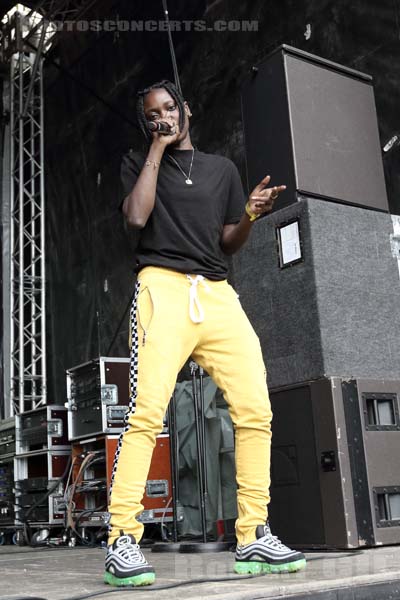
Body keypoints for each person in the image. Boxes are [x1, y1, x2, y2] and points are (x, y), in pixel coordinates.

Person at [104, 79, 306, 587]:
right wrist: (156, 146)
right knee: (147, 411)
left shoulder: (221, 170)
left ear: (187, 110)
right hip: (162, 289)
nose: (163, 117)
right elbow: (136, 216)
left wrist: (250, 216)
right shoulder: (139, 161)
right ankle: (122, 539)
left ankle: (254, 533)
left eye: (170, 109)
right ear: (146, 123)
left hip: (216, 295)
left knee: (255, 409)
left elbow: (229, 242)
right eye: (153, 115)